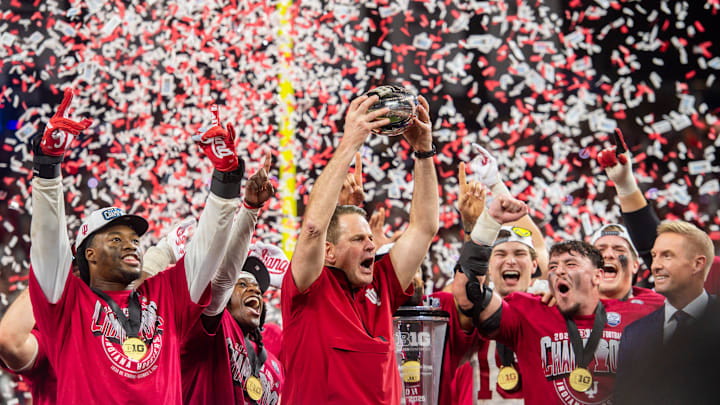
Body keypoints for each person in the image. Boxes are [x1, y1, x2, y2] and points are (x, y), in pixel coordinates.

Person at [27, 91, 243, 403]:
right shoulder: (66, 305)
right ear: (89, 254)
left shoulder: (165, 294)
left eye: (134, 240)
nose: (131, 245)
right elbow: (49, 244)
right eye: (115, 239)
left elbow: (206, 252)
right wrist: (48, 167)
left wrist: (225, 181)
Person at [280, 92, 439, 404]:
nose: (371, 243)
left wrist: (424, 152)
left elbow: (424, 227)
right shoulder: (309, 287)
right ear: (329, 252)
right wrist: (350, 141)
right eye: (357, 239)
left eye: (369, 237)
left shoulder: (381, 284)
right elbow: (313, 228)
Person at [453, 194, 663, 405]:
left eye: (571, 264)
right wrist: (488, 224)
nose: (560, 271)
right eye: (553, 267)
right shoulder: (530, 311)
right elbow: (469, 296)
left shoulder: (644, 310)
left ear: (598, 275)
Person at [0, 218, 193, 405]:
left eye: (133, 241)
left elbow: (137, 285)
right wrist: (51, 276)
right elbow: (9, 339)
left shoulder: (143, 314)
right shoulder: (59, 330)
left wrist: (162, 254)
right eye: (114, 241)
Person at [181, 152, 284, 404]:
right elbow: (222, 280)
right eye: (243, 284)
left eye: (257, 288)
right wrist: (250, 210)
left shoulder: (275, 366)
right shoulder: (210, 332)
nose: (255, 291)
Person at [614, 220, 720, 405]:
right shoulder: (634, 334)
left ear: (697, 264)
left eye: (667, 256)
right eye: (654, 256)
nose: (655, 265)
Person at [590, 223, 664, 306]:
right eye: (600, 250)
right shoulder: (574, 312)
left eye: (619, 250)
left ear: (635, 265)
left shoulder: (659, 308)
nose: (608, 254)